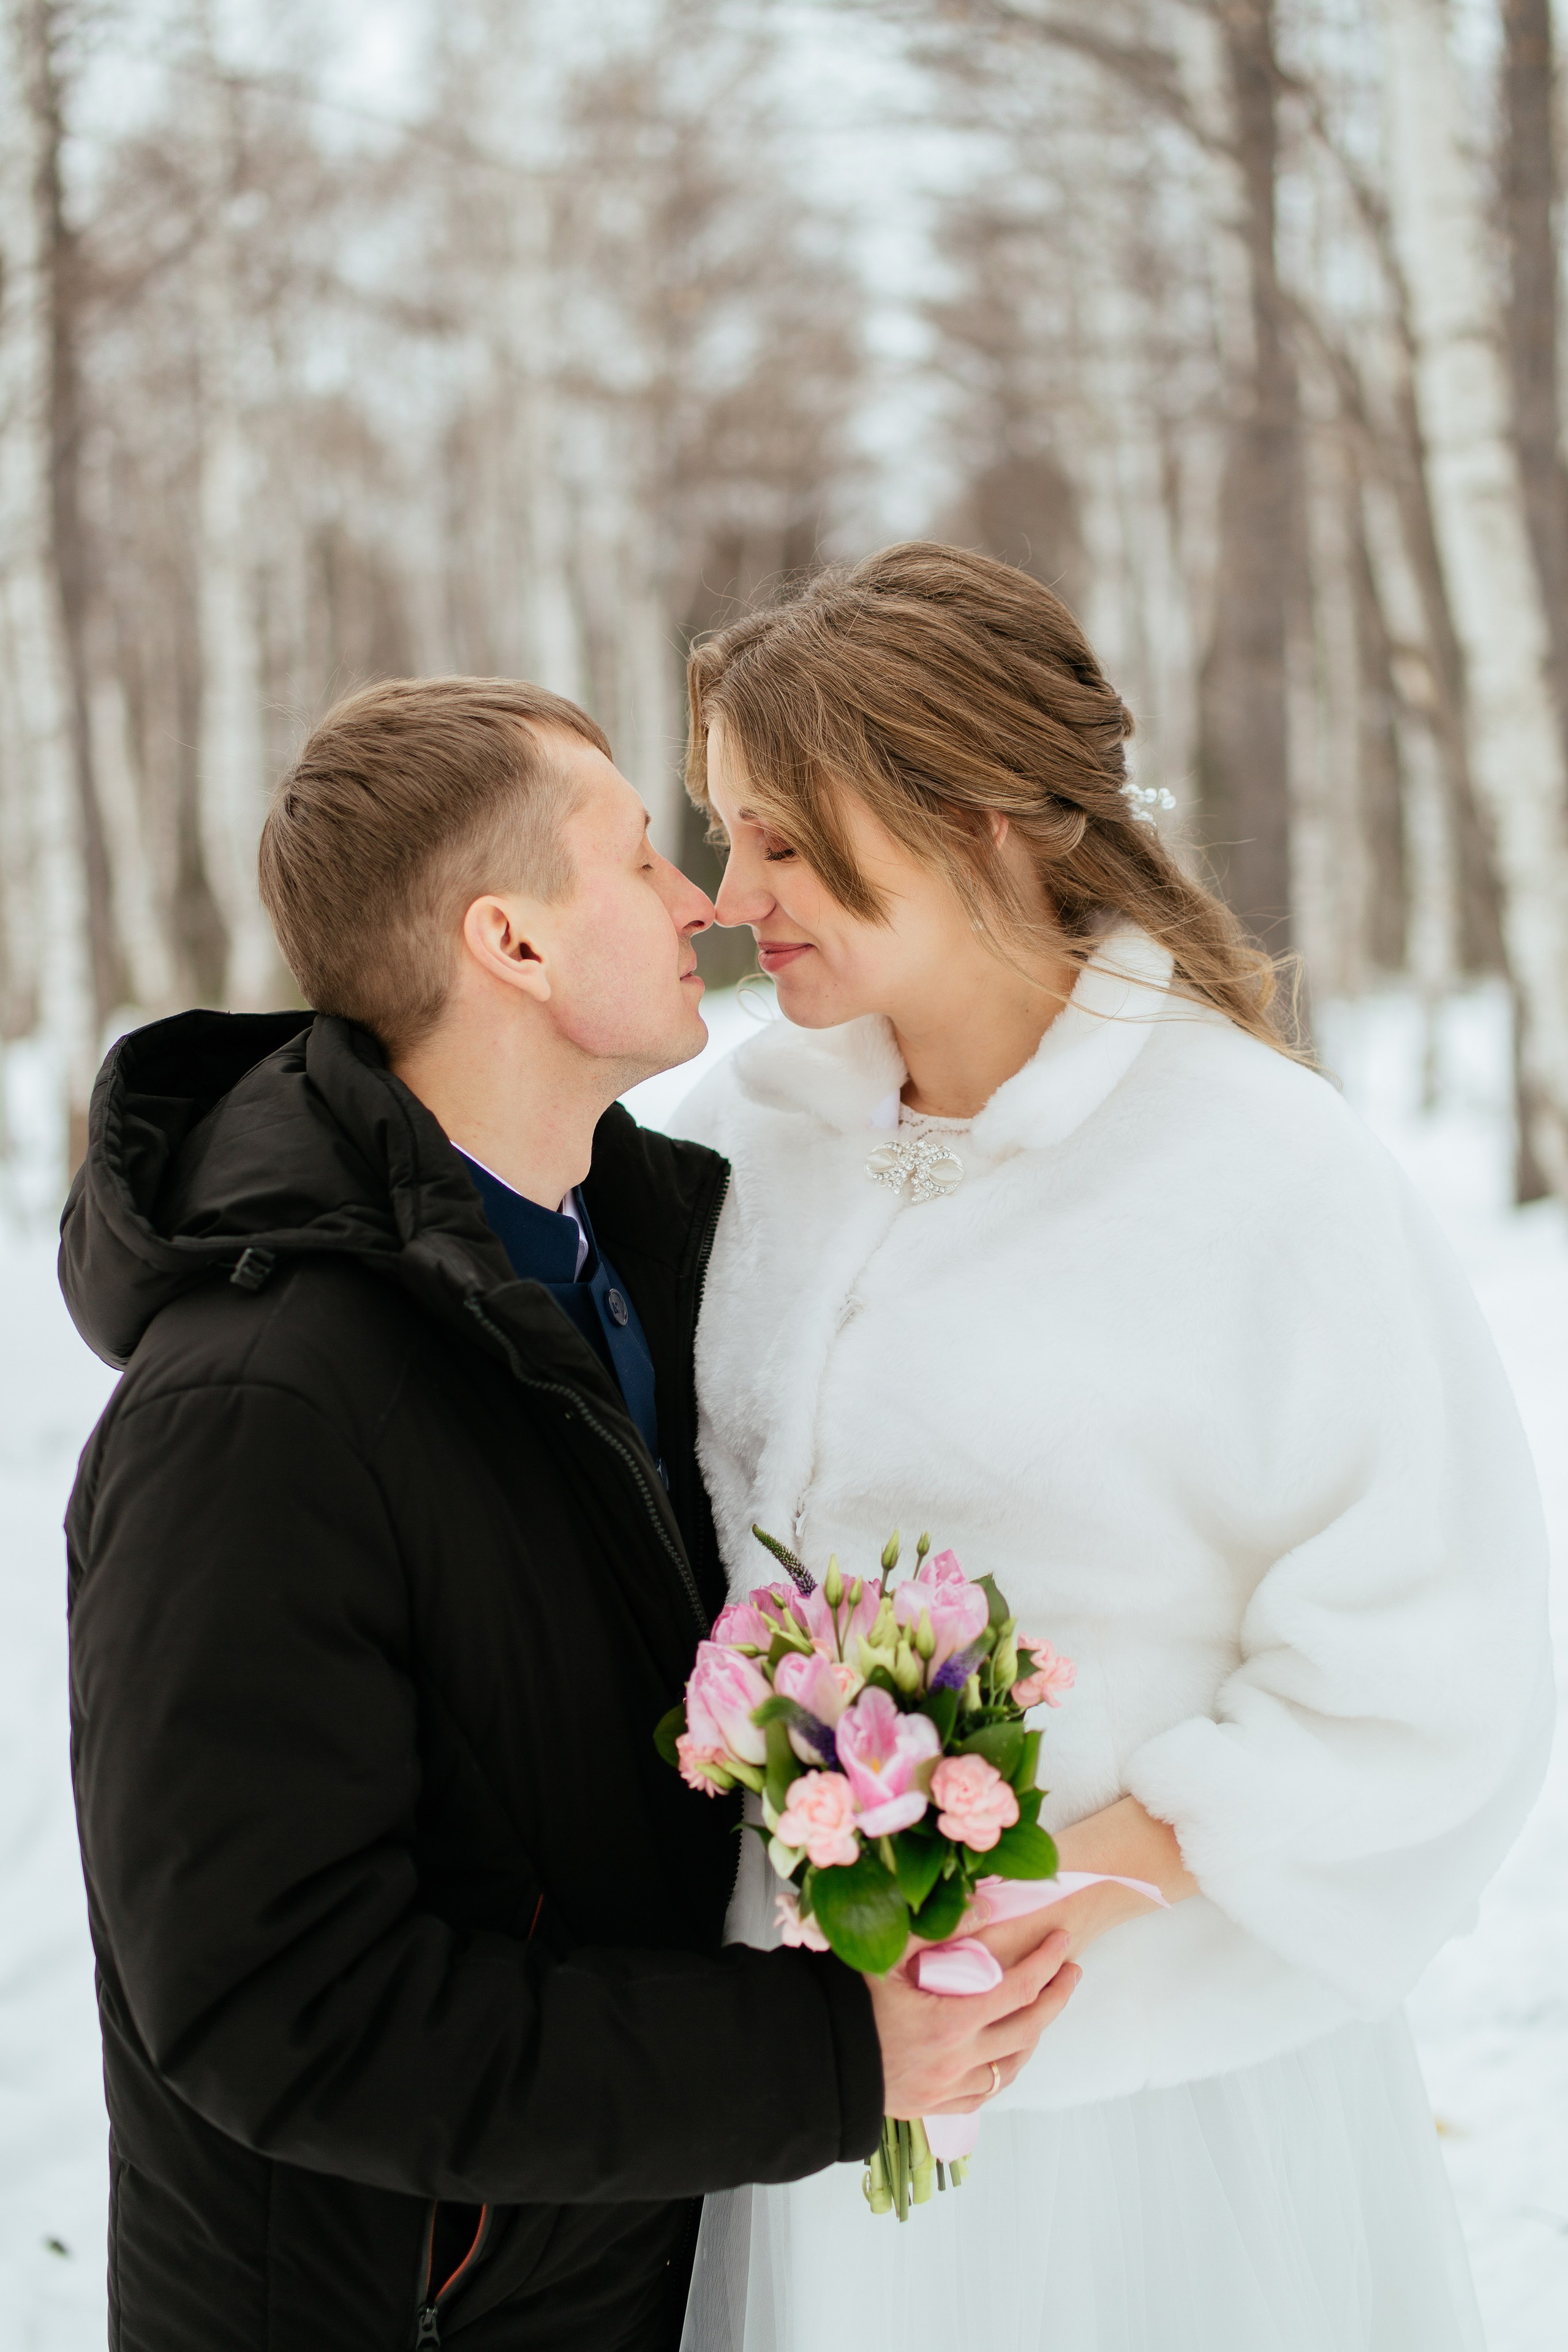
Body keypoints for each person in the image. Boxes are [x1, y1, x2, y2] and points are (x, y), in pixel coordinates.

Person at [57, 675, 1079, 2352]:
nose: (704, 900)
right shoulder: (256, 1414)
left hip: (606, 2275)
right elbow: (280, 2009)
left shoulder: (654, 1272)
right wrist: (830, 2057)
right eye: (637, 861)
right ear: (511, 944)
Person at [672, 544, 1553, 2352]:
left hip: (1163, 2100)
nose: (731, 888)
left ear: (975, 812)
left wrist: (1076, 1873)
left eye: (778, 835)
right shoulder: (725, 1136)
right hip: (816, 2084)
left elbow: (1436, 1642)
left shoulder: (1261, 1166)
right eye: (724, 831)